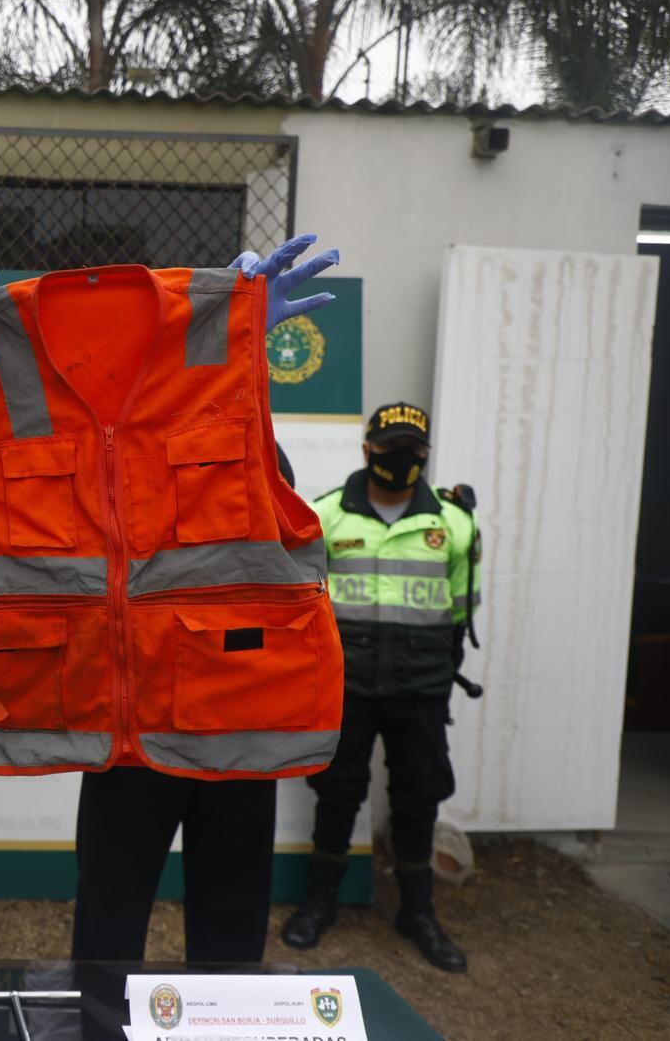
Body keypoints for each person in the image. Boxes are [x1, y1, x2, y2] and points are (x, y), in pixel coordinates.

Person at [71, 241, 339, 966]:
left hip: (236, 715)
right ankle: (100, 1017)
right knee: (109, 917)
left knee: (231, 929)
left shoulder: (255, 438)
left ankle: (224, 1017)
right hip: (135, 723)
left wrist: (240, 359)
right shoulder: (107, 443)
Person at [280, 402, 479, 972]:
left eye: (414, 449)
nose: (402, 457)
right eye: (391, 447)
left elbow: (460, 611)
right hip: (346, 686)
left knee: (418, 796)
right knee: (338, 791)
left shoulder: (455, 523)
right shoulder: (324, 517)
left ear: (426, 454)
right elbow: (303, 607)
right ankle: (320, 902)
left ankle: (418, 912)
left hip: (421, 688)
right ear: (368, 450)